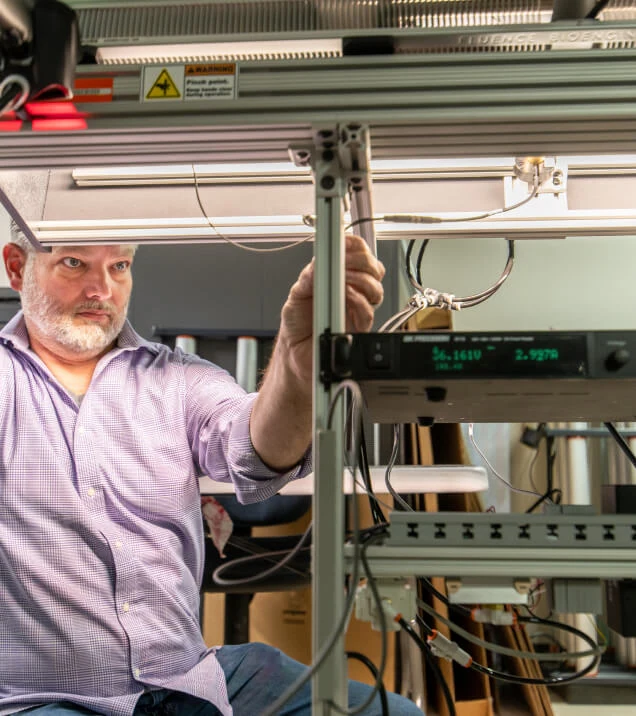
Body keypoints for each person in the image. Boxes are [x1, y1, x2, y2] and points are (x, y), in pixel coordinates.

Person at [0, 224, 424, 716]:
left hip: (190, 678)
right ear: (16, 267)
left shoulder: (177, 378)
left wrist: (298, 363)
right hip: (43, 698)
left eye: (118, 266)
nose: (102, 289)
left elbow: (254, 449)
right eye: (75, 264)